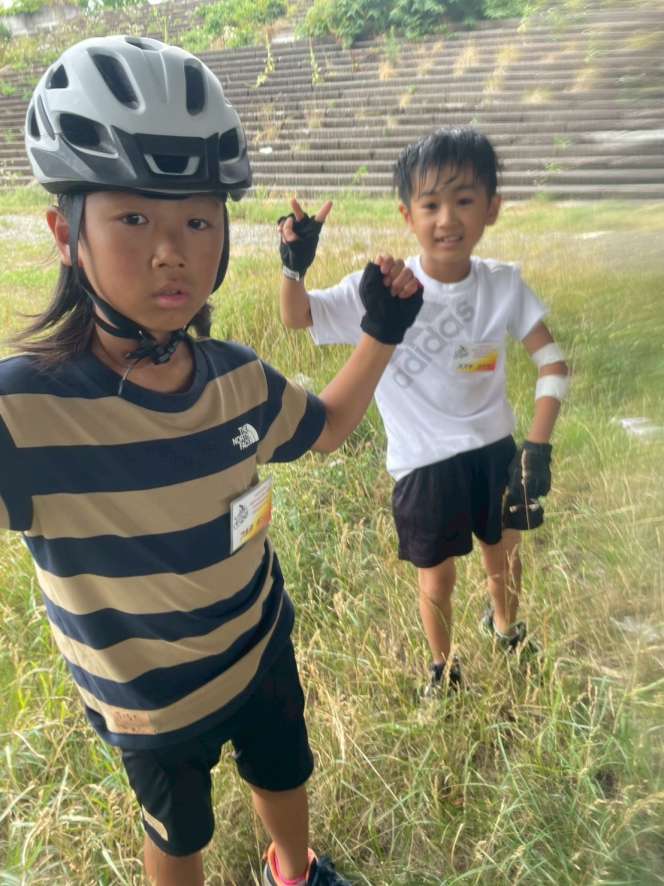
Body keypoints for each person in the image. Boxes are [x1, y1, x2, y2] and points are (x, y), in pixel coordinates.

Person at [1, 36, 423, 886]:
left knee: (286, 772)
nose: (172, 250)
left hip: (259, 643)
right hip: (150, 708)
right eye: (133, 219)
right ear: (64, 231)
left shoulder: (236, 378)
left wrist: (383, 330)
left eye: (197, 220)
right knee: (179, 835)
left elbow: (328, 427)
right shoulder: (25, 409)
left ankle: (295, 872)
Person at [277, 127, 570, 696]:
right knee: (437, 578)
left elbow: (552, 364)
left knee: (505, 556)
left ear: (492, 209)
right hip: (422, 462)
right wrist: (294, 266)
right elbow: (298, 317)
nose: (447, 219)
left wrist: (537, 446)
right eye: (431, 204)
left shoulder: (503, 285)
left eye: (464, 200)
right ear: (407, 215)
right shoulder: (385, 288)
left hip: (496, 451)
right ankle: (443, 667)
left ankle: (505, 628)